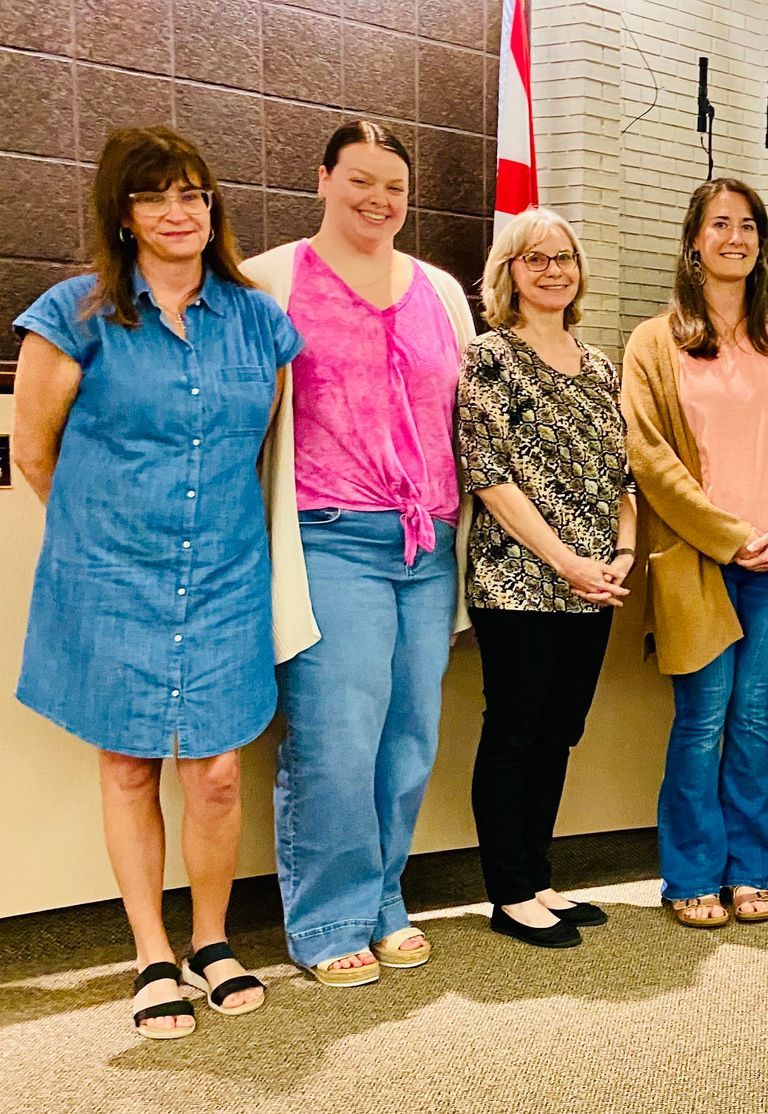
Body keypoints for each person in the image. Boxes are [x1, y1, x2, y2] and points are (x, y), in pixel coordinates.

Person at [10, 126, 296, 1038]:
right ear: (123, 216)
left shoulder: (261, 321)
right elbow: (31, 451)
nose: (179, 213)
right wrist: (107, 536)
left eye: (195, 194)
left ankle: (211, 940)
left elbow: (267, 448)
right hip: (111, 579)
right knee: (129, 764)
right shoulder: (73, 315)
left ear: (215, 209)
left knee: (214, 773)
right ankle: (150, 953)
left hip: (223, 575)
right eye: (156, 197)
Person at [243, 121, 476, 986]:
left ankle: (383, 898)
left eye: (394, 187)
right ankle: (328, 916)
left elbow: (464, 420)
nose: (379, 201)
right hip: (328, 535)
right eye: (360, 181)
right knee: (336, 739)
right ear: (323, 180)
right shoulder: (271, 280)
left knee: (408, 738)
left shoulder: (441, 290)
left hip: (427, 543)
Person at [622, 178, 768, 929]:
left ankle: (751, 868)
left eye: (748, 225)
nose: (735, 237)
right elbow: (647, 454)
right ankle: (689, 875)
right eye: (720, 224)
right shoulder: (654, 342)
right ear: (695, 241)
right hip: (699, 561)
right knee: (702, 719)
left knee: (751, 718)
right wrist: (726, 534)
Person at [457, 208, 636, 948]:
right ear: (509, 273)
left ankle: (539, 876)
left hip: (597, 583)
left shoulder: (600, 366)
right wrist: (564, 561)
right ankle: (508, 892)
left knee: (560, 732)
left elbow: (624, 475)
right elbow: (488, 476)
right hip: (517, 585)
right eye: (536, 259)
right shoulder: (489, 357)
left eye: (564, 257)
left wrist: (621, 555)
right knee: (516, 731)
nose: (554, 270)